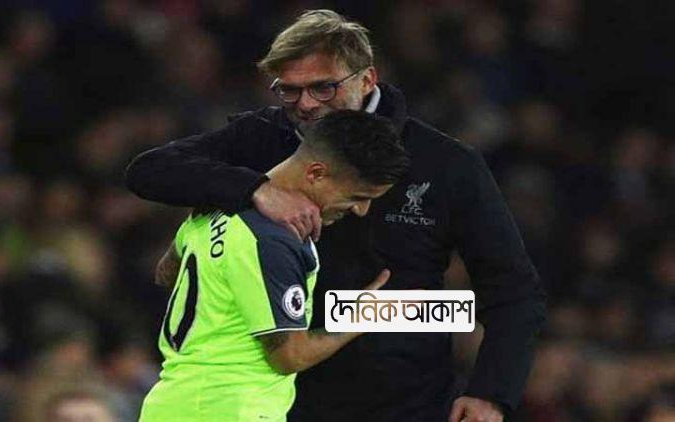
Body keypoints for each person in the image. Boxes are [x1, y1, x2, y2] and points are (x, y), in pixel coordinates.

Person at [126, 9, 546, 422]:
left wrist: (491, 392)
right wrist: (256, 188)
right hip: (285, 394)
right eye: (289, 90)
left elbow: (512, 288)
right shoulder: (261, 138)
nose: (306, 104)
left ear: (367, 79)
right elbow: (148, 171)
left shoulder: (444, 163)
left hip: (405, 399)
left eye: (323, 88)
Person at [138, 110, 410, 421]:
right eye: (358, 196)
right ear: (316, 173)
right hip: (230, 409)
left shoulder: (219, 204)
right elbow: (289, 356)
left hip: (174, 402)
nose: (361, 210)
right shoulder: (273, 240)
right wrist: (364, 315)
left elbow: (167, 271)